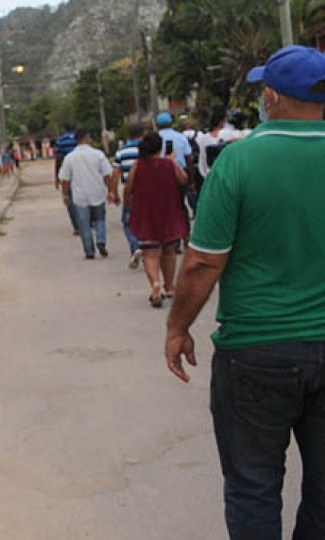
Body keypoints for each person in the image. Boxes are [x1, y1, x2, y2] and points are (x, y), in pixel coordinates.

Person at [165, 45, 325, 540]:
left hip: (255, 351)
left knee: (253, 486)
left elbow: (202, 262)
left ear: (272, 96)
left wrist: (177, 328)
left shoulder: (239, 161)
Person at [122, 133, 188, 307]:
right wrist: (173, 161)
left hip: (146, 213)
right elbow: (183, 179)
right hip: (168, 211)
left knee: (150, 253)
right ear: (160, 147)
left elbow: (129, 188)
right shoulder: (168, 164)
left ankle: (155, 284)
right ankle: (169, 286)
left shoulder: (138, 165)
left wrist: (128, 204)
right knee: (169, 252)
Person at [58, 132, 118, 259]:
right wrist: (111, 191)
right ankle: (101, 240)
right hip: (98, 193)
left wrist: (65, 194)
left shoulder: (70, 157)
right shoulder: (98, 154)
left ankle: (89, 251)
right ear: (86, 138)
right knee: (100, 219)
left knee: (84, 223)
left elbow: (65, 179)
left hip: (80, 196)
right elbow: (108, 175)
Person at [113, 123, 145, 268]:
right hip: (148, 191)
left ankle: (135, 246)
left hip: (130, 192)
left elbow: (115, 174)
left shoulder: (121, 152)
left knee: (128, 222)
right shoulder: (147, 149)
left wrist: (114, 192)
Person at [54, 121, 79, 235]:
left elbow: (58, 158)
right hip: (81, 170)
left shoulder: (60, 141)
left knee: (69, 198)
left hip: (67, 171)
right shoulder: (80, 138)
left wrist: (57, 175)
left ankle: (77, 226)